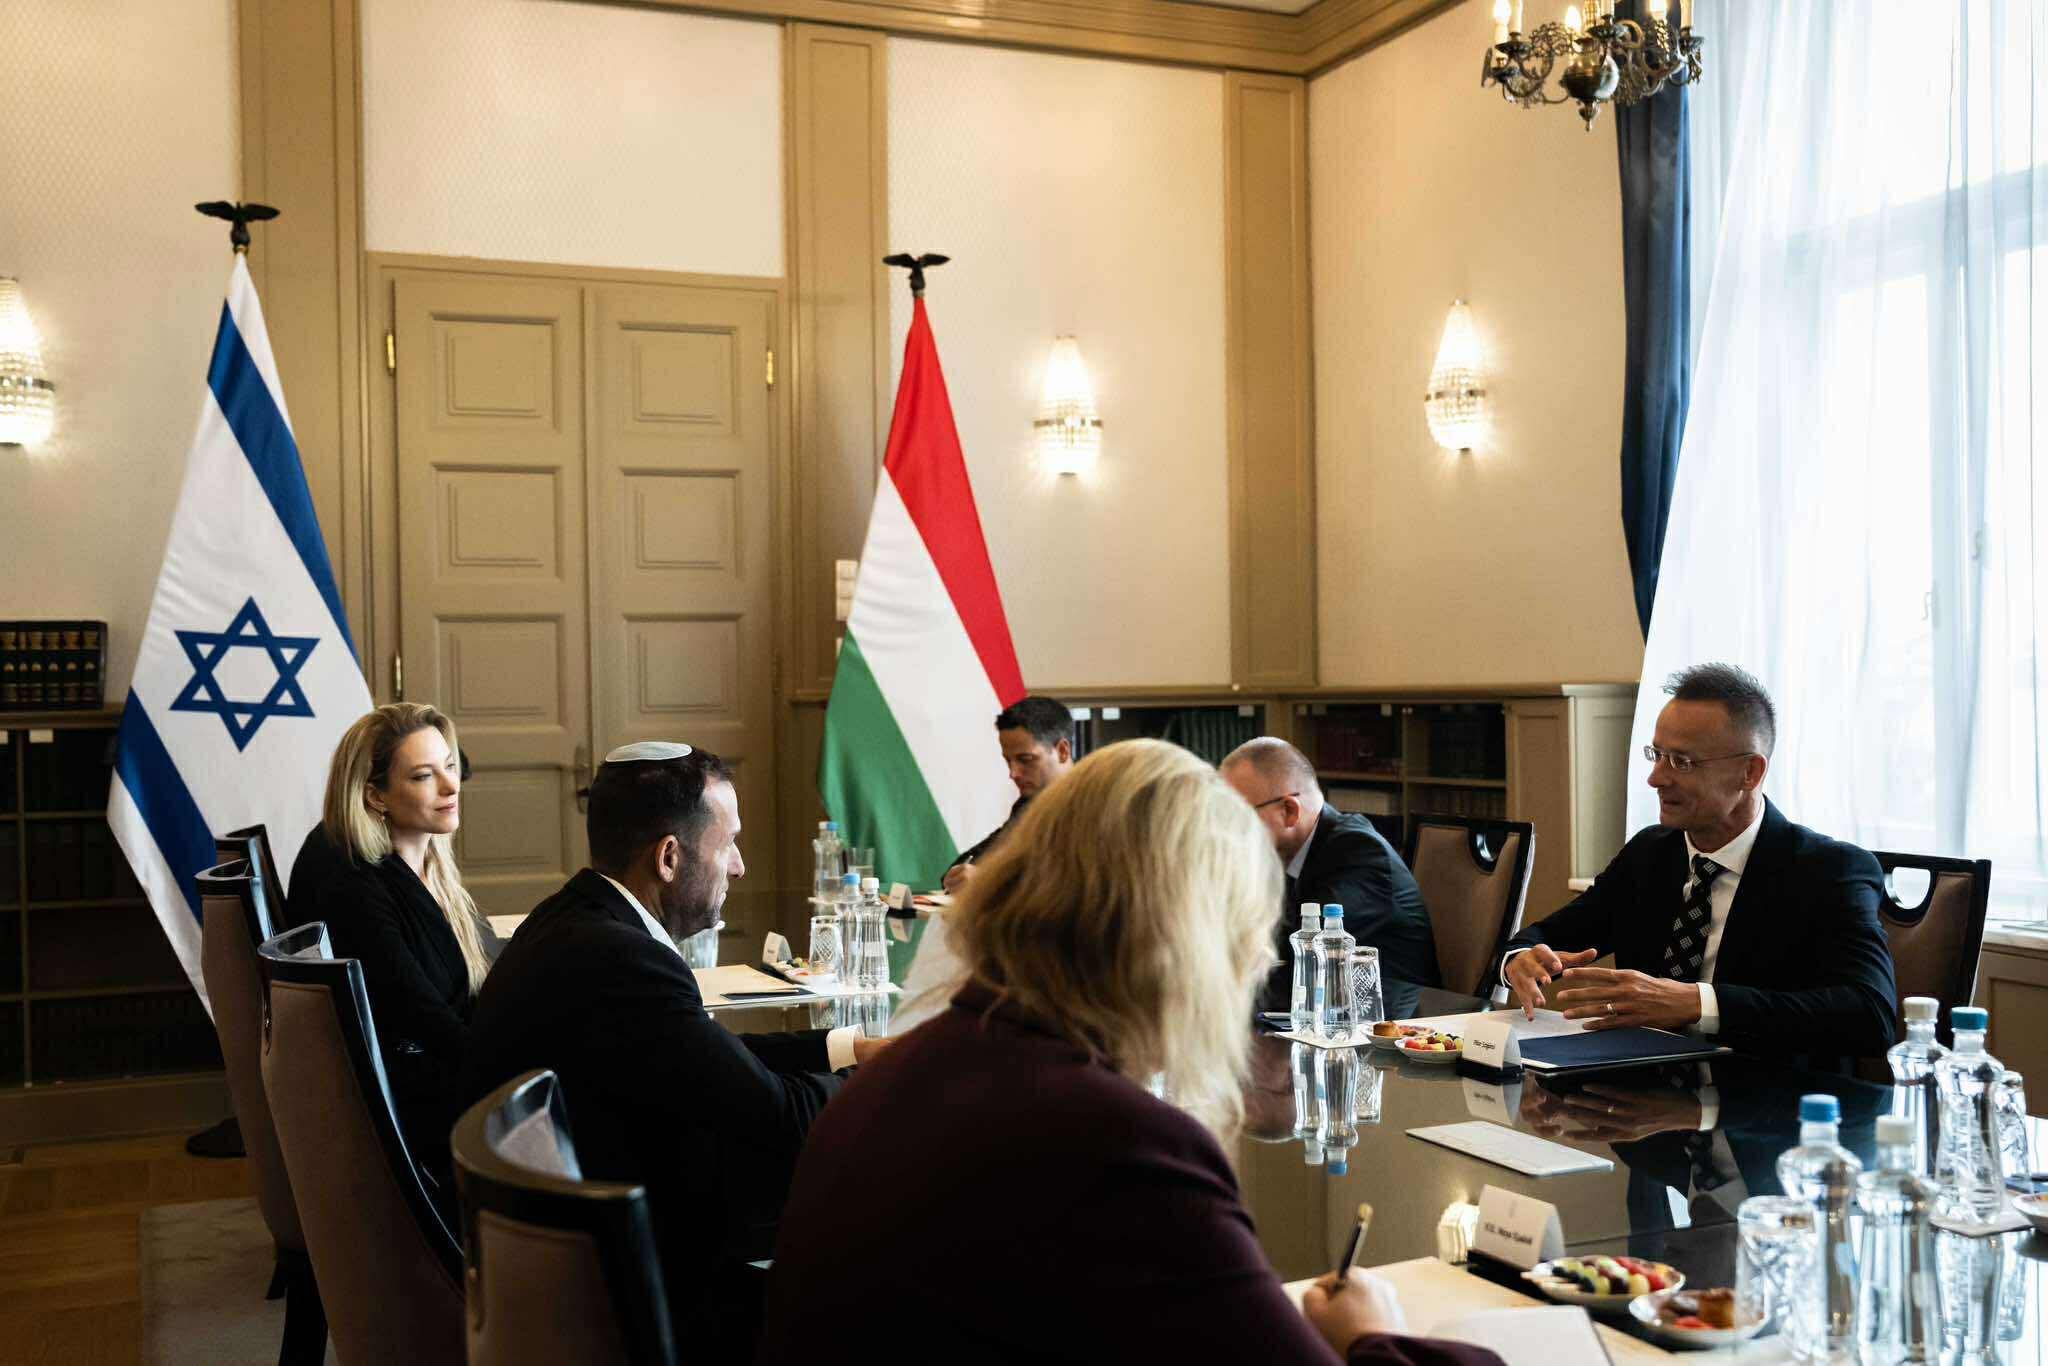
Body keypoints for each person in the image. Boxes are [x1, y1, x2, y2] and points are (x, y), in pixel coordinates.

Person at [757, 740, 1500, 1366]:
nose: (1253, 964)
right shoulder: (1117, 1144)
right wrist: (1369, 1335)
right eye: (1244, 933)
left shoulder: (908, 1069)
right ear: (1186, 944)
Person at [462, 742, 885, 1359]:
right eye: (729, 844)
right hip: (646, 1286)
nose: (739, 866)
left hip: (583, 1237)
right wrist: (896, 1083)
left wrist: (850, 1048)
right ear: (669, 857)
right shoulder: (622, 958)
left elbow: (710, 1057)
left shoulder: (574, 918)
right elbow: (777, 1119)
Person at [1498, 663, 1898, 1064]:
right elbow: (1548, 936)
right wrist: (1520, 959)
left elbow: (1870, 1014)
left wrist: (1699, 1003)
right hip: (1638, 1089)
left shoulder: (1829, 870)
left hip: (1763, 1092)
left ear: (1749, 772)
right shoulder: (1649, 853)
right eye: (1657, 755)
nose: (1656, 778)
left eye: (1682, 762)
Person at [314, 703, 500, 1191]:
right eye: (423, 776)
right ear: (375, 795)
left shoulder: (429, 863)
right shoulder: (360, 890)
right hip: (427, 1111)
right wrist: (514, 1061)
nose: (451, 786)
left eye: (449, 767)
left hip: (452, 1077)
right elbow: (423, 1016)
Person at [1221, 737, 1440, 1012]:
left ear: (1289, 811)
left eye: (1236, 815)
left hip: (1390, 1027)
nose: (1225, 830)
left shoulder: (1359, 852)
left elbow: (1300, 946)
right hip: (1317, 1012)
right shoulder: (1284, 856)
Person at [938, 694, 1074, 894]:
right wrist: (962, 875)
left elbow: (1078, 887)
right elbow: (974, 861)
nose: (1013, 773)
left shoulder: (1098, 804)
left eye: (1026, 759)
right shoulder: (1027, 805)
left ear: (1062, 751)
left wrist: (991, 881)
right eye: (1008, 761)